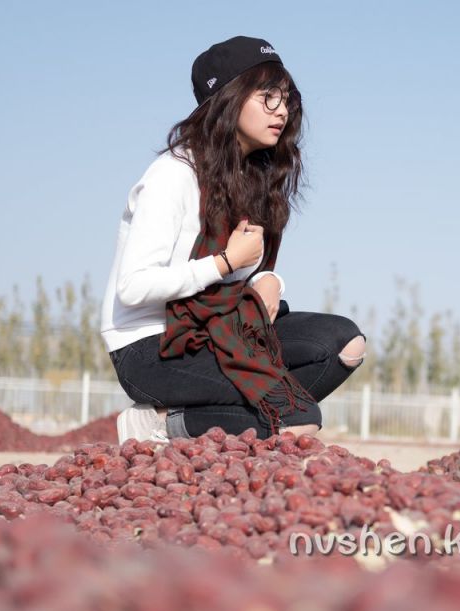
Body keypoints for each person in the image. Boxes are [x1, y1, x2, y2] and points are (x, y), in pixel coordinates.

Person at [100, 36, 365, 443]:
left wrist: (266, 280)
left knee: (343, 344)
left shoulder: (250, 177)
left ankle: (218, 414)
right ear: (229, 99)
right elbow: (133, 287)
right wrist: (223, 262)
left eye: (287, 98)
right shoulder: (173, 175)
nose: (282, 111)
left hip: (220, 327)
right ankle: (158, 424)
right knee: (297, 420)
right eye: (267, 97)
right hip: (150, 347)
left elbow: (234, 280)